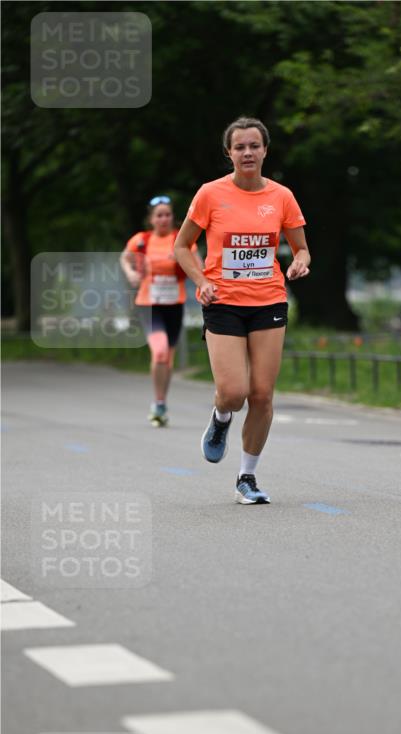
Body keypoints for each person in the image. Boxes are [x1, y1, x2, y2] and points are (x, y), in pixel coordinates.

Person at [174, 116, 310, 504]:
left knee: (263, 395)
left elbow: (301, 246)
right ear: (229, 153)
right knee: (234, 394)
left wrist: (300, 261)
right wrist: (201, 281)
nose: (247, 153)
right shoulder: (210, 194)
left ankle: (246, 478)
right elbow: (183, 246)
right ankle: (220, 418)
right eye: (240, 147)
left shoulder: (281, 196)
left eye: (254, 146)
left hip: (268, 298)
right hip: (223, 302)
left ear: (265, 150)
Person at [120, 197, 201, 426]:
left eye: (167, 215)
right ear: (151, 219)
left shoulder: (181, 240)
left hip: (174, 304)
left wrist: (188, 266)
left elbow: (199, 266)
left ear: (172, 218)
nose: (163, 219)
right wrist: (130, 273)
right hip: (149, 304)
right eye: (159, 215)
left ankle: (161, 402)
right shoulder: (141, 240)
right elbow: (124, 258)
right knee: (160, 352)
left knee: (168, 358)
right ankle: (157, 402)